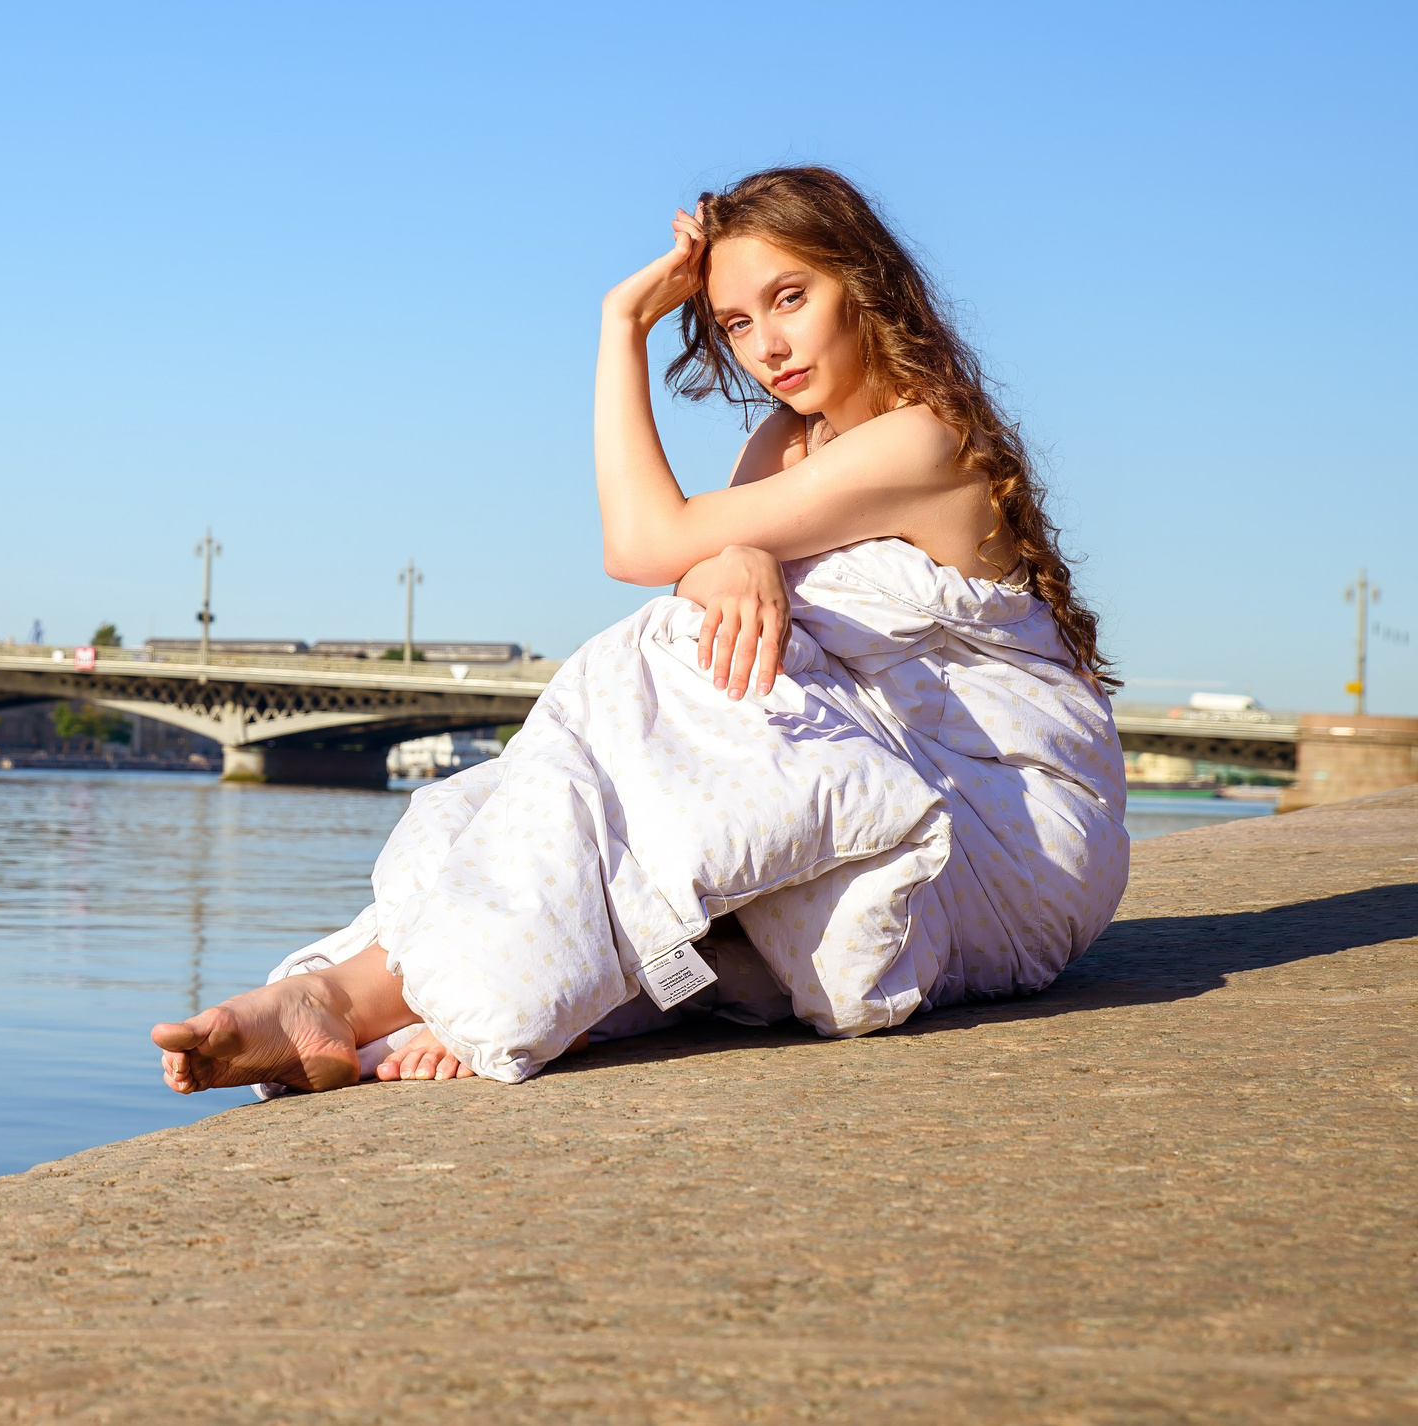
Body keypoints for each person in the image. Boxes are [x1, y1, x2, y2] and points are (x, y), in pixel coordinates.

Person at [152, 166, 1129, 1094]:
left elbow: (643, 543)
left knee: (671, 663)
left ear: (864, 285)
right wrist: (729, 557)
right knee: (617, 784)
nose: (765, 347)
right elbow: (698, 564)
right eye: (736, 322)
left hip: (1011, 845)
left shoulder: (925, 439)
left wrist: (622, 326)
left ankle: (402, 993)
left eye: (790, 298)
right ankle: (372, 998)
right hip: (894, 805)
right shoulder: (791, 442)